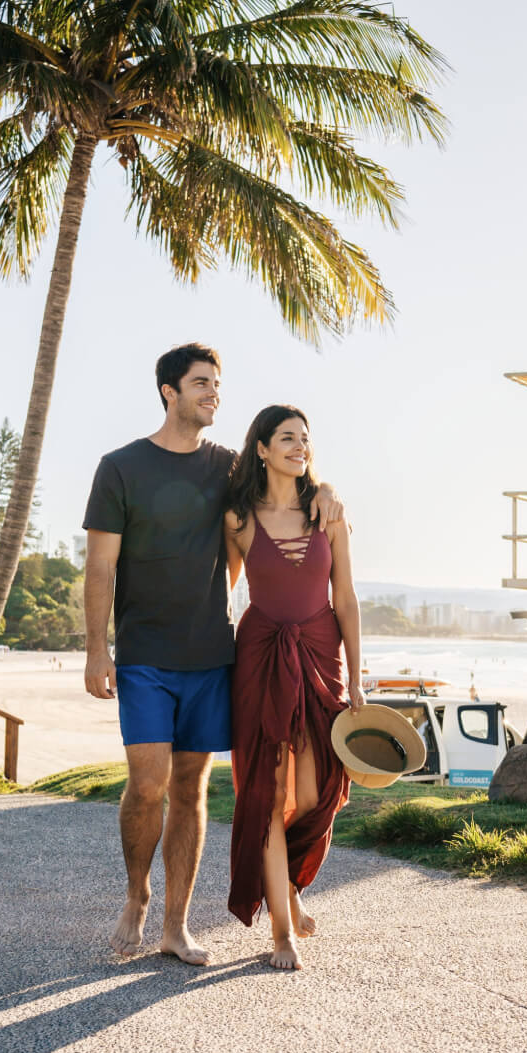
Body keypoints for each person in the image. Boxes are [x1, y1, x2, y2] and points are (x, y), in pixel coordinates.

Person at [84, 344, 344, 967]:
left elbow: (284, 484)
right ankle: (137, 896)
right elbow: (100, 566)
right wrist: (98, 649)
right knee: (147, 786)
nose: (213, 394)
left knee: (191, 788)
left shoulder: (228, 466)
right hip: (144, 655)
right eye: (201, 384)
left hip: (210, 657)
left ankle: (175, 926)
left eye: (217, 385)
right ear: (169, 392)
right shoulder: (120, 467)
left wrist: (327, 487)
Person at [221, 404, 360, 971]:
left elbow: (346, 598)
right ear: (261, 448)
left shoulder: (328, 512)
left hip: (322, 655)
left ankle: (292, 887)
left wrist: (359, 680)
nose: (298, 446)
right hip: (259, 658)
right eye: (286, 438)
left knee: (318, 790)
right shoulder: (237, 518)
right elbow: (220, 596)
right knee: (267, 795)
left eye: (305, 438)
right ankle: (281, 932)